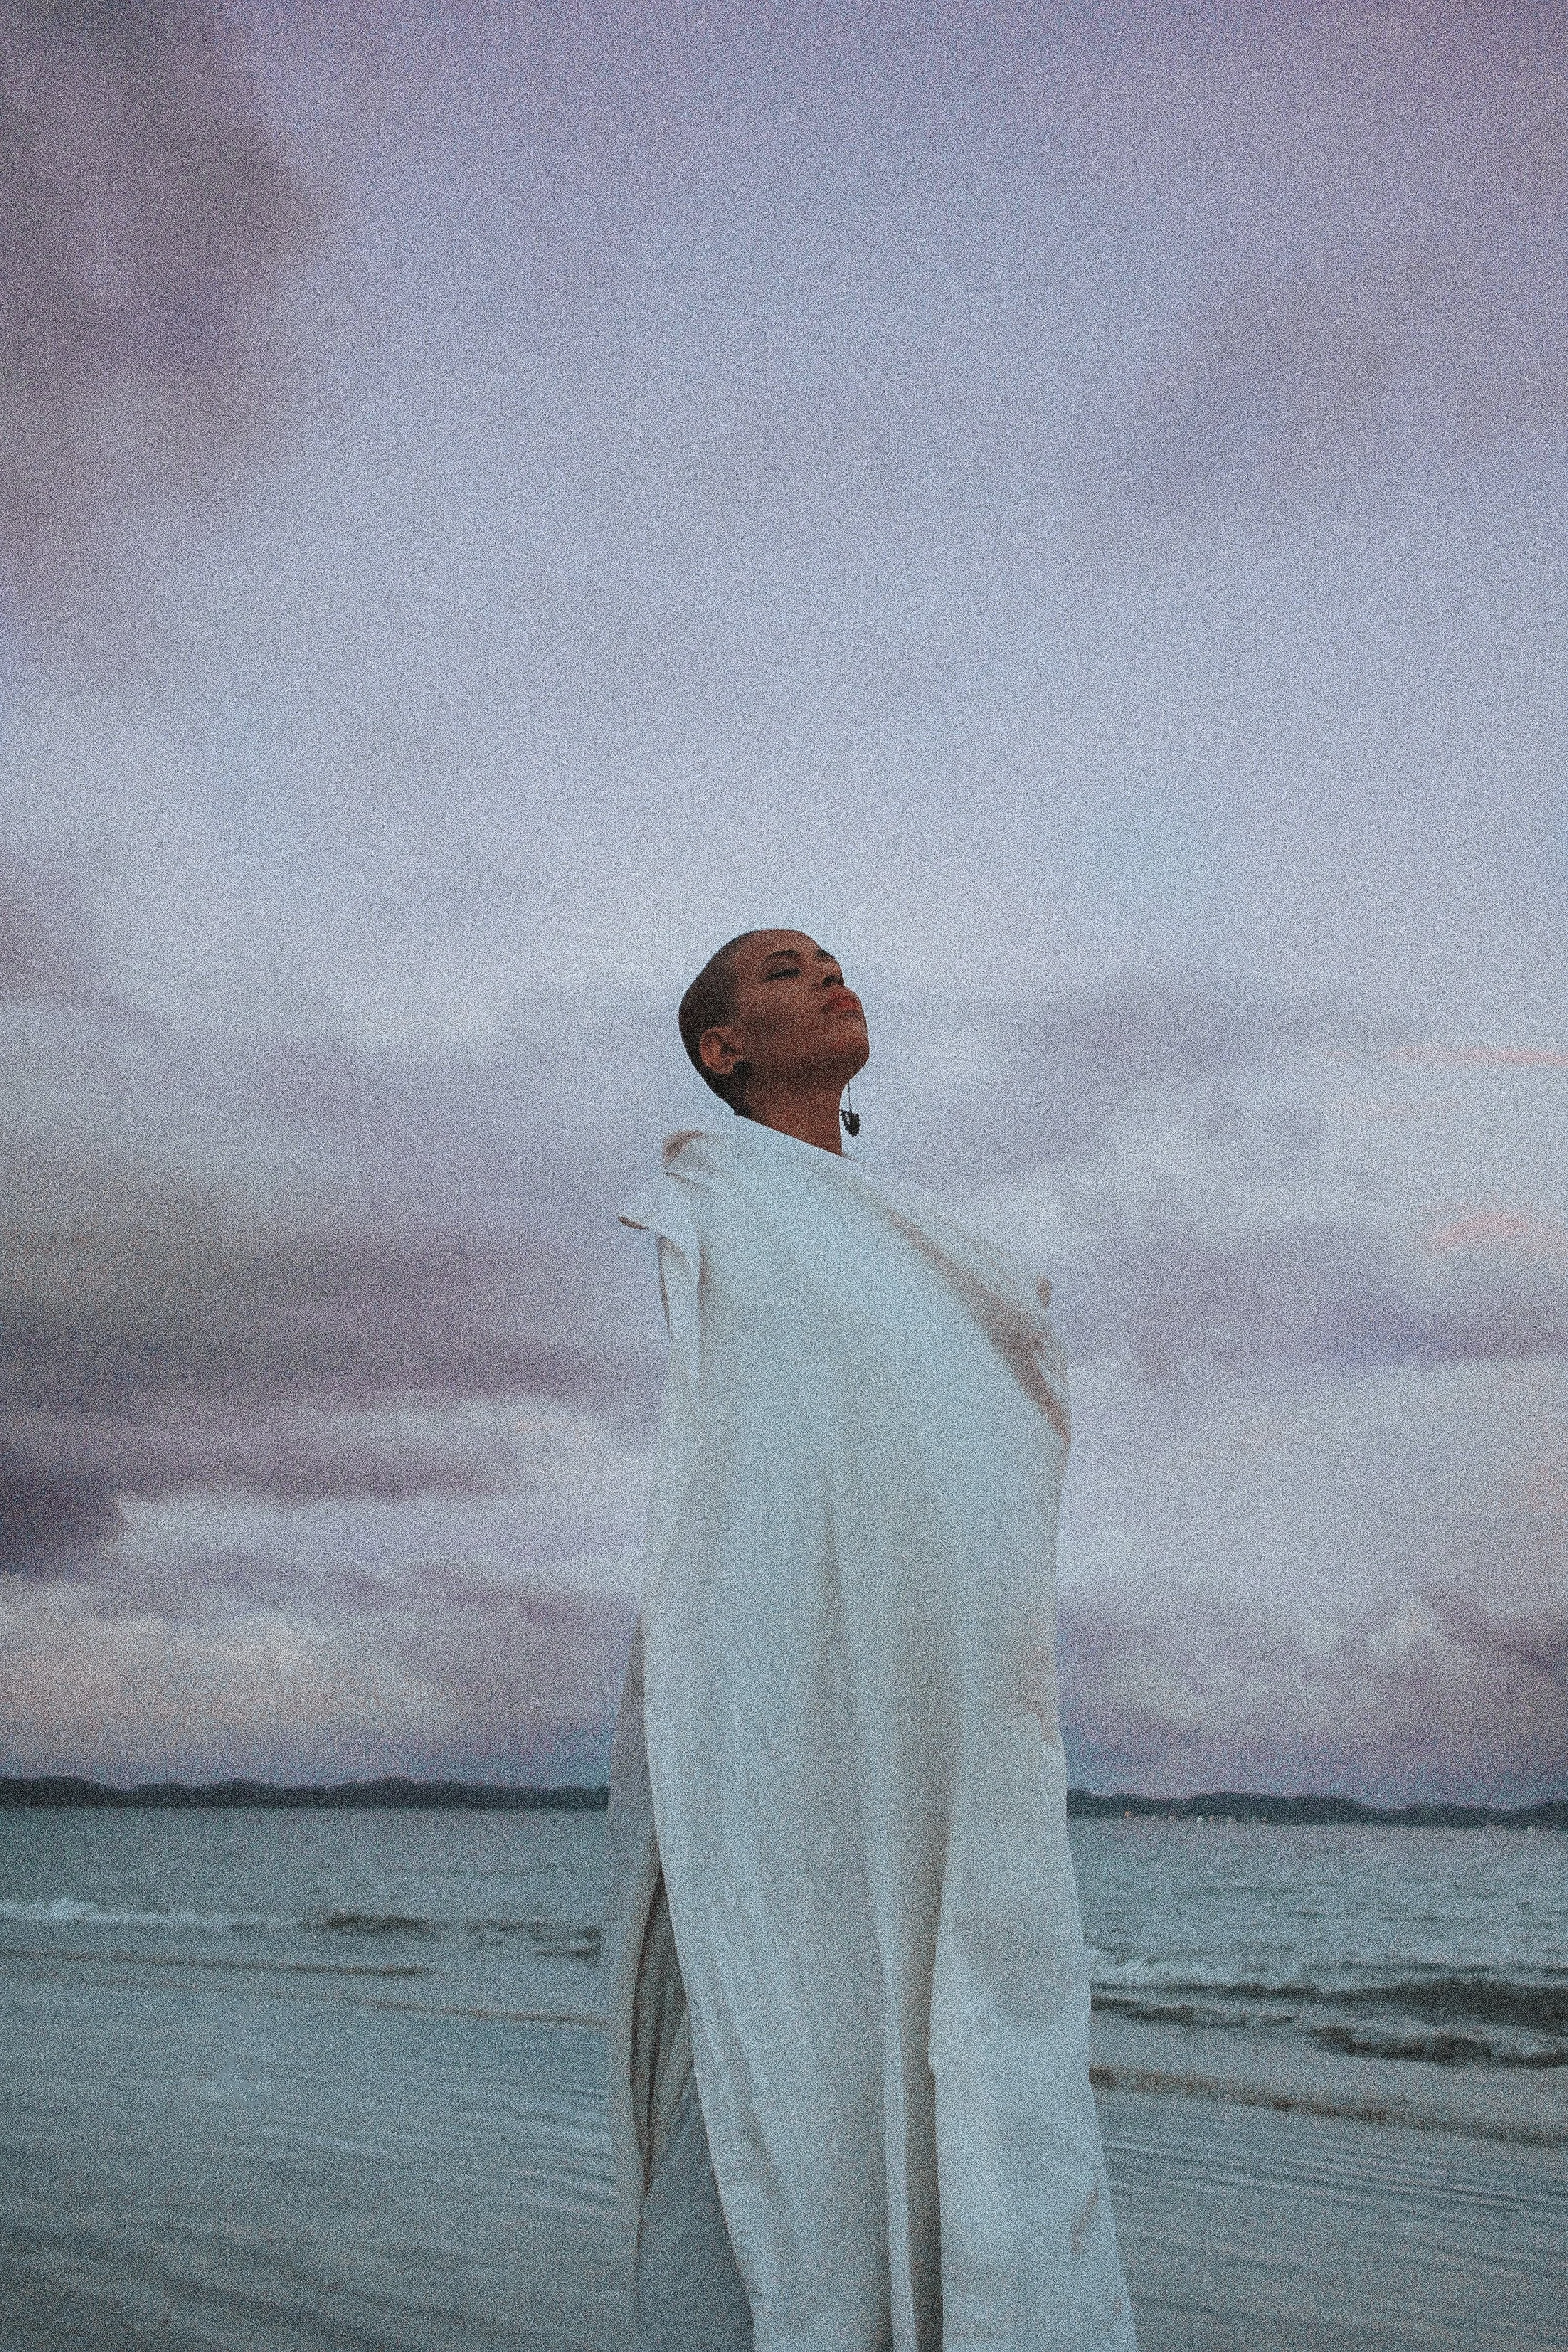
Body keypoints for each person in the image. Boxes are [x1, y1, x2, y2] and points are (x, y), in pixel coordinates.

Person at [605, 928, 1136, 2352]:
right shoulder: (716, 1203)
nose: (828, 976)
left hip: (952, 1711)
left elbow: (965, 1443)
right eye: (782, 972)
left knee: (975, 2015)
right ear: (723, 1048)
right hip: (786, 1703)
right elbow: (763, 1484)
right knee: (788, 2022)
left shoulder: (921, 1243)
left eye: (833, 960)